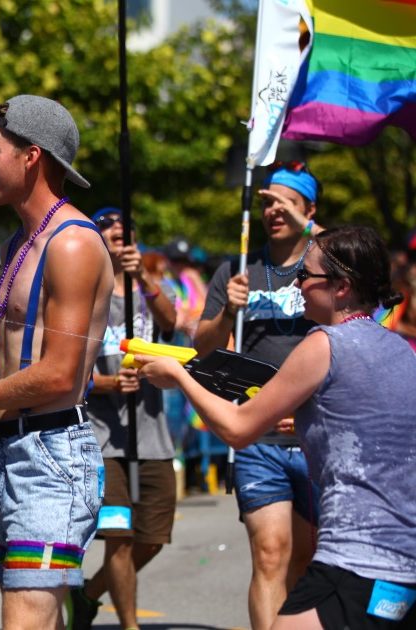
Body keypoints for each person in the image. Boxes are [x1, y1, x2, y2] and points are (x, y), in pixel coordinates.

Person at [136, 225, 416, 629]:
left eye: (305, 276)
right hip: (403, 564)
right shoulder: (397, 348)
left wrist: (179, 376)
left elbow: (237, 428)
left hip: (356, 560)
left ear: (341, 287)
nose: (296, 286)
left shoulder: (324, 344)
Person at [0, 95, 111, 629]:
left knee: (26, 620)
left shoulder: (70, 243)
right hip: (7, 451)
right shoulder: (17, 244)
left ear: (31, 156)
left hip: (50, 452)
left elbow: (59, 372)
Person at [194, 161, 325, 629]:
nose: (273, 210)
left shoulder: (327, 265)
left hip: (316, 436)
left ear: (310, 209)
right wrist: (228, 309)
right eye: (266, 201)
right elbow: (202, 346)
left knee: (307, 560)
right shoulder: (237, 269)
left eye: (285, 201)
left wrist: (312, 233)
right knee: (270, 553)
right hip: (258, 437)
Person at [72, 208, 178, 630]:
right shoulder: (85, 293)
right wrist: (107, 384)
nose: (118, 233)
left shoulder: (147, 289)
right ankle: (129, 626)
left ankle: (89, 594)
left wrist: (146, 279)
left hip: (151, 433)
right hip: (103, 439)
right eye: (108, 228)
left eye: (125, 229)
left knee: (152, 538)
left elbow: (173, 323)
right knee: (119, 535)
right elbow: (69, 370)